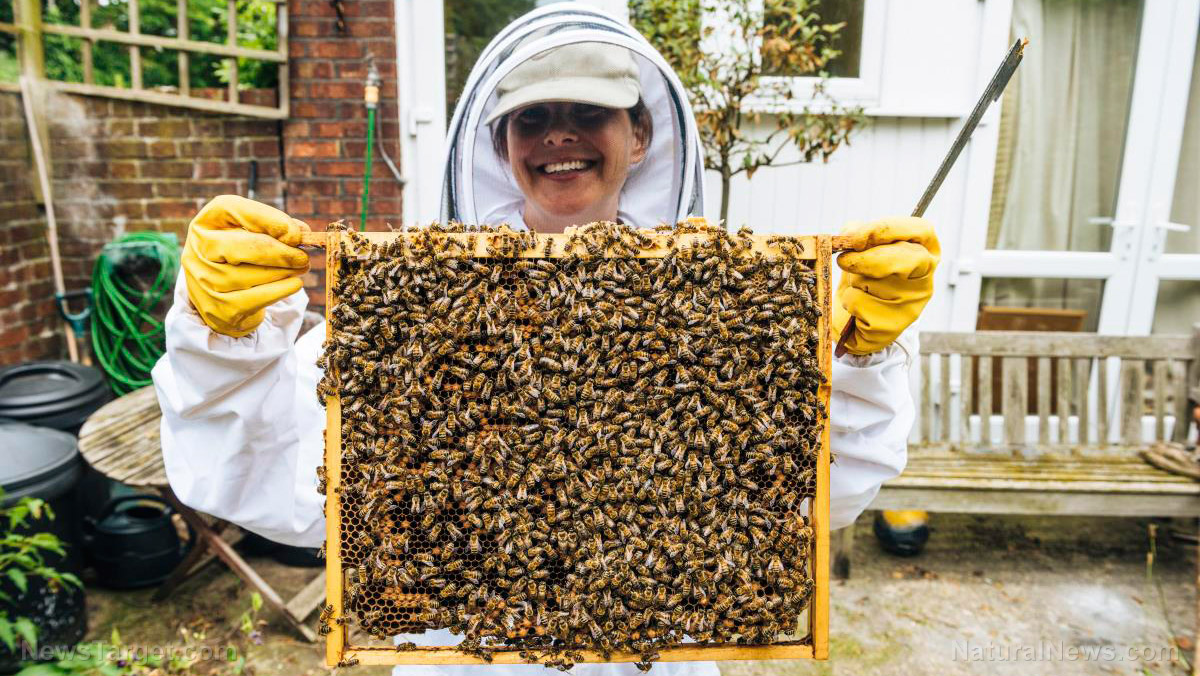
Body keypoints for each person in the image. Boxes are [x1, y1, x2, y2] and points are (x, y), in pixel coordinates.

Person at [152, 4, 938, 675]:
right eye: (532, 118)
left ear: (639, 135)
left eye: (589, 113)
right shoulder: (422, 306)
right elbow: (279, 484)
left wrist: (857, 357)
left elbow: (816, 495)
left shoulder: (722, 306)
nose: (559, 136)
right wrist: (223, 343)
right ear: (501, 145)